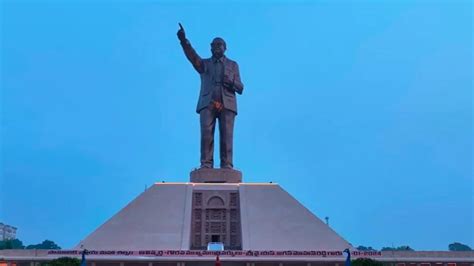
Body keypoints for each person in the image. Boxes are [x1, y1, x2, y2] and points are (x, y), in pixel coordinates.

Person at [177, 23, 244, 169]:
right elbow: (192, 56)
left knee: (227, 136)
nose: (217, 47)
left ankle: (227, 164)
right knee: (206, 135)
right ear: (210, 47)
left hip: (227, 103)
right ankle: (206, 164)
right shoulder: (204, 64)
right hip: (208, 102)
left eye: (220, 44)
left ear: (225, 48)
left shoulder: (233, 65)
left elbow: (240, 88)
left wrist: (231, 81)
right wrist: (184, 41)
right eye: (215, 45)